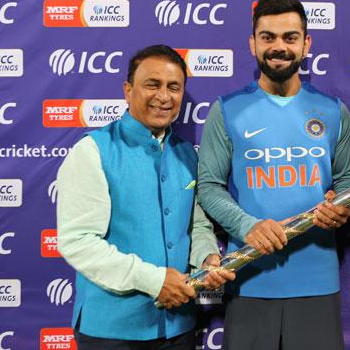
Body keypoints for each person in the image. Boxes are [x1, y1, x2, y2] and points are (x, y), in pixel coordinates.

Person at [197, 0, 350, 349]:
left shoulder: (333, 111)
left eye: (290, 37)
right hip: (251, 276)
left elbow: (349, 179)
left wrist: (343, 204)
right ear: (253, 43)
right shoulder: (227, 110)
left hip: (317, 281)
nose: (279, 47)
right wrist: (247, 226)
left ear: (306, 43)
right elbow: (209, 187)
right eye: (268, 37)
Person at [56, 45, 234, 350]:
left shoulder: (188, 156)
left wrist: (205, 258)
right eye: (153, 84)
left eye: (173, 87)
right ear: (128, 91)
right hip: (111, 332)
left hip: (179, 326)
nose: (163, 96)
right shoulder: (93, 151)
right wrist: (155, 281)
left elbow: (197, 227)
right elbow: (78, 241)